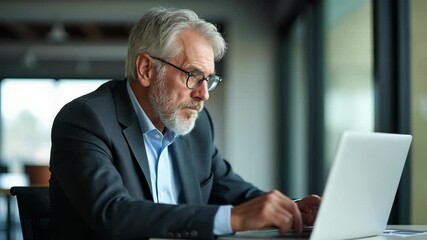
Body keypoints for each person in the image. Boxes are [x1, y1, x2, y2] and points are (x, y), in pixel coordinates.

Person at [49, 7, 321, 240]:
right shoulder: (85, 119)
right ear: (146, 69)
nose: (203, 94)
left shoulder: (196, 127)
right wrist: (233, 219)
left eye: (209, 79)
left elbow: (232, 191)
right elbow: (113, 213)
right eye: (193, 75)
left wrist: (292, 209)